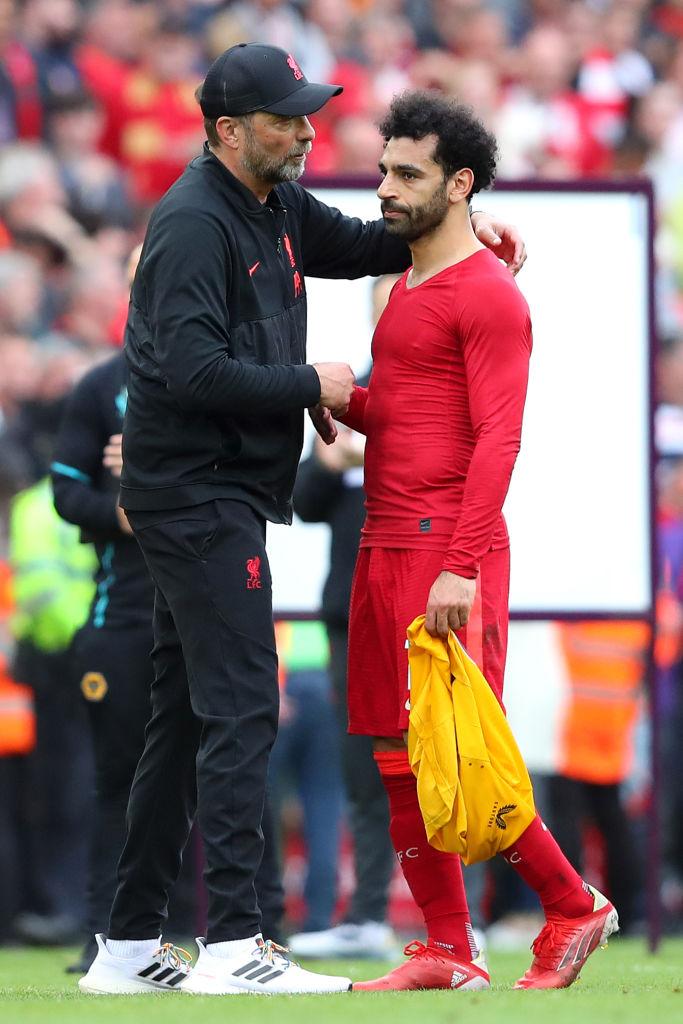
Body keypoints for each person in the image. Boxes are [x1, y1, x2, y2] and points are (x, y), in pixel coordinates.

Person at [80, 42, 526, 997]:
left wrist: (465, 224)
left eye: (307, 113)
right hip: (196, 493)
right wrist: (308, 383)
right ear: (228, 131)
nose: (306, 131)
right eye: (285, 118)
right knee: (243, 705)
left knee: (183, 717)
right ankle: (237, 943)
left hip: (212, 491)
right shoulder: (194, 222)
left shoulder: (272, 202)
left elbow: (368, 243)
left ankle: (126, 947)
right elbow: (190, 373)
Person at [341, 90, 619, 993]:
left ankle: (571, 904)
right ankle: (449, 949)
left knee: (458, 749)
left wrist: (460, 565)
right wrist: (341, 400)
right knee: (395, 754)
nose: (385, 188)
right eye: (384, 170)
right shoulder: (408, 286)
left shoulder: (490, 296)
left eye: (406, 173)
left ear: (459, 184)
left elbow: (499, 438)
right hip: (384, 542)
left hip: (442, 548)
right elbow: (410, 418)